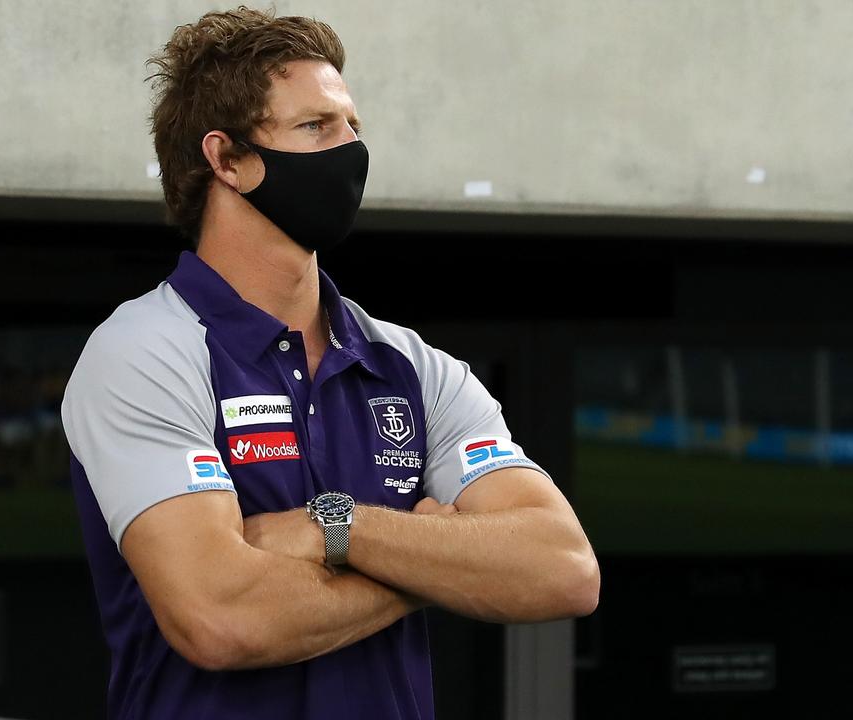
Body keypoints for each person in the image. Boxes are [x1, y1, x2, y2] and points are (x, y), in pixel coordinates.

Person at [60, 8, 599, 719]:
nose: (352, 150)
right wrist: (436, 562)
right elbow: (220, 617)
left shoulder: (411, 365)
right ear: (226, 159)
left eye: (353, 127)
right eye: (316, 128)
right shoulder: (146, 353)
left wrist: (337, 529)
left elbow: (563, 570)